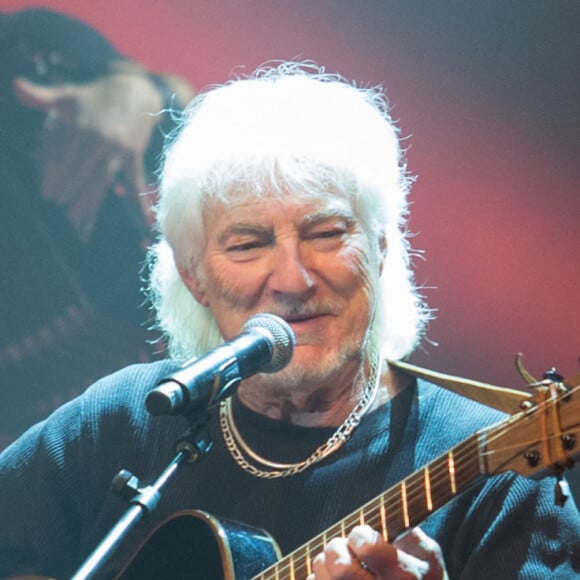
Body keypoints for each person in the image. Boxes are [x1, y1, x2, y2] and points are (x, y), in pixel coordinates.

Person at [0, 61, 579, 579]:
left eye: (326, 234)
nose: (293, 279)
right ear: (195, 276)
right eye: (249, 244)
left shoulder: (501, 478)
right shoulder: (127, 420)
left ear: (381, 248)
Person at [0, 8, 194, 446]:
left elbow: (185, 106)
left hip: (181, 368)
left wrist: (141, 94)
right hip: (55, 453)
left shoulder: (24, 45)